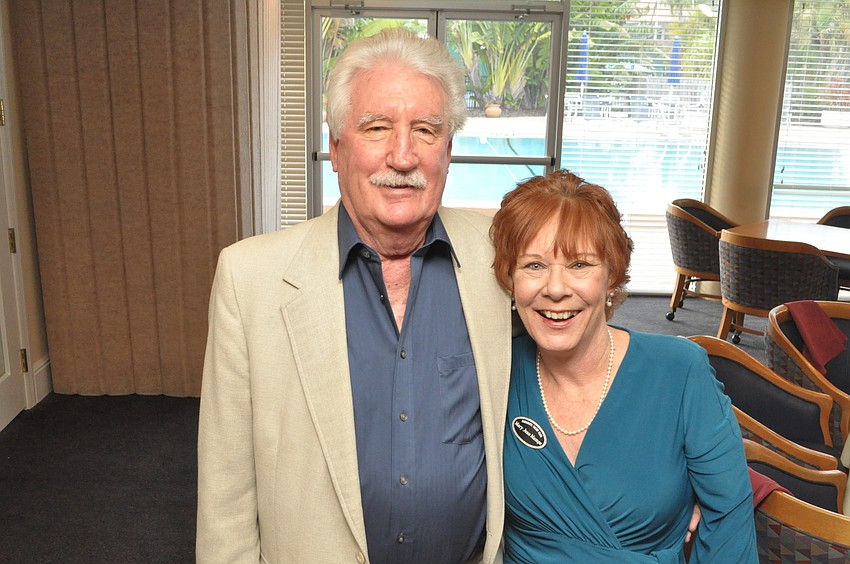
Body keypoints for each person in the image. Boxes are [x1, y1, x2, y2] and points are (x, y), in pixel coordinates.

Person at [195, 29, 513, 563]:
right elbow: (226, 492)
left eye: (426, 131)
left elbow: (578, 360)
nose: (403, 155)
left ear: (449, 151)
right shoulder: (249, 278)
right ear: (336, 148)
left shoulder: (504, 259)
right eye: (377, 128)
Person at [490, 169, 757, 562]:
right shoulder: (493, 370)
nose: (557, 288)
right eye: (534, 265)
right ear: (510, 279)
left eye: (580, 265)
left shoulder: (680, 372)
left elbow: (730, 524)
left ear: (611, 276)